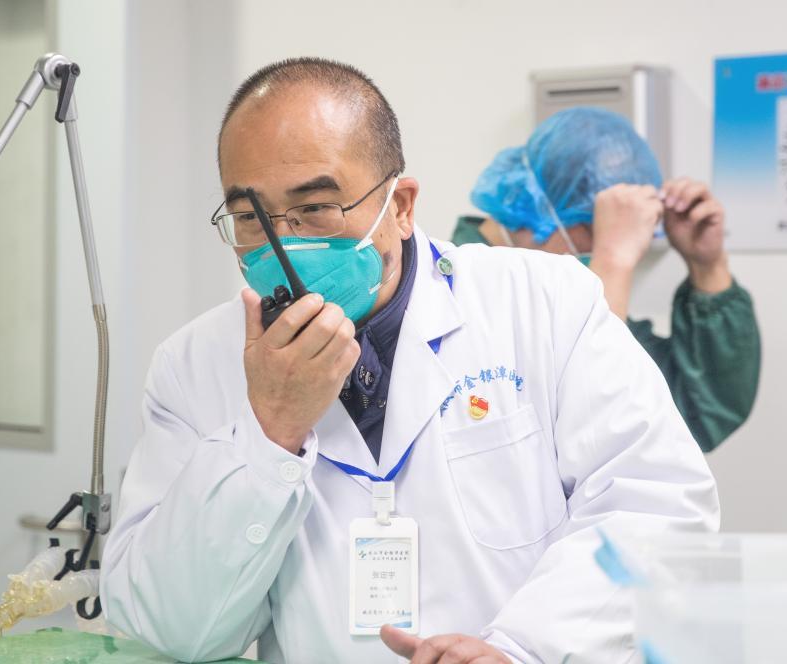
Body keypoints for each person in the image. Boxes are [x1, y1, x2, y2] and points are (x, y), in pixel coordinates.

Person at [101, 58, 718, 663]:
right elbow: (169, 628)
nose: (284, 242)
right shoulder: (193, 365)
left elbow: (657, 505)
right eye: (249, 217)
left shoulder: (545, 302)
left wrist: (521, 650)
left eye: (315, 208)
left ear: (400, 206)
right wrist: (268, 434)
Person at [454, 107, 760, 452]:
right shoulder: (459, 298)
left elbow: (699, 412)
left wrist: (707, 267)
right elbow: (589, 425)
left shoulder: (569, 293)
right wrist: (612, 259)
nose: (605, 242)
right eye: (596, 228)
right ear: (537, 208)